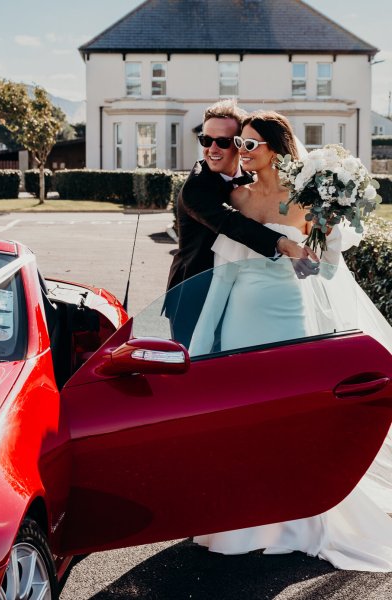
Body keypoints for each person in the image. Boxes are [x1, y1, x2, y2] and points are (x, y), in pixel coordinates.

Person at [190, 110, 392, 572]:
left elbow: (319, 270)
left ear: (276, 149)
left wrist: (322, 240)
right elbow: (222, 278)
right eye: (238, 143)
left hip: (291, 321)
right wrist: (202, 347)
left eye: (250, 144)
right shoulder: (236, 198)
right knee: (245, 421)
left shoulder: (306, 200)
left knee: (292, 421)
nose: (241, 151)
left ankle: (300, 519)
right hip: (242, 322)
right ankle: (242, 522)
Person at [165, 100, 317, 348]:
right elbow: (232, 223)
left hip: (240, 297)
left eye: (224, 142)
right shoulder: (197, 187)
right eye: (206, 140)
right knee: (197, 371)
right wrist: (283, 243)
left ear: (240, 142)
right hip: (195, 293)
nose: (212, 149)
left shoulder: (249, 179)